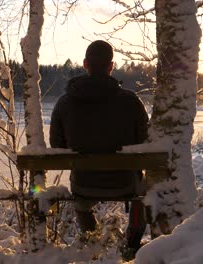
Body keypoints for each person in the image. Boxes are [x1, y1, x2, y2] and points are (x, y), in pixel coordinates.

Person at [49, 40, 149, 252]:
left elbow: (57, 144)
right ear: (111, 66)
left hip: (84, 184)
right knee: (144, 189)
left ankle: (92, 241)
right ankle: (132, 244)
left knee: (82, 201)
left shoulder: (65, 102)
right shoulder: (131, 101)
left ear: (85, 64)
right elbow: (145, 140)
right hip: (126, 183)